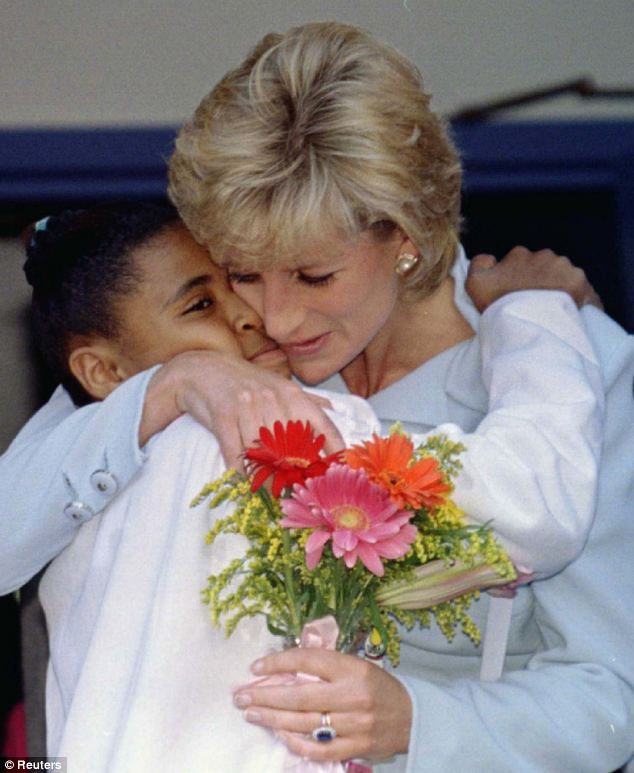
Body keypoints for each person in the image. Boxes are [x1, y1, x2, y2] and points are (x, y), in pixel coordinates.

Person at [164, 21, 634, 772]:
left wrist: (417, 722)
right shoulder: (230, 359)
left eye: (315, 275)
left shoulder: (576, 370)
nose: (277, 318)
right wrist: (178, 380)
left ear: (408, 236)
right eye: (244, 272)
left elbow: (614, 694)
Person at [19, 201, 601, 770]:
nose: (257, 316)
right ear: (102, 371)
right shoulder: (271, 429)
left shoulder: (78, 474)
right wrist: (535, 312)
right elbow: (535, 502)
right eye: (200, 304)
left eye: (236, 281)